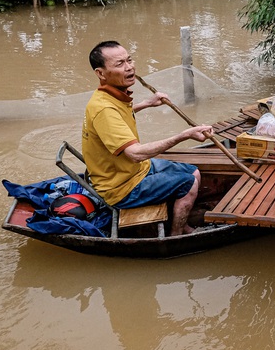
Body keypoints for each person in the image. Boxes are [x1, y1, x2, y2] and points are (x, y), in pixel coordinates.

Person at [82, 40, 214, 235]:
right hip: (121, 188)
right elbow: (135, 154)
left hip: (134, 171)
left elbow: (119, 116)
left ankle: (183, 224)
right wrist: (183, 136)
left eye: (129, 60)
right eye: (119, 64)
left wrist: (147, 103)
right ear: (100, 73)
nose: (129, 67)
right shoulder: (104, 109)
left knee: (194, 172)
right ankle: (176, 234)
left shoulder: (111, 97)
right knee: (189, 183)